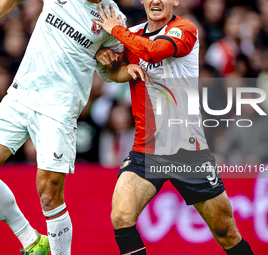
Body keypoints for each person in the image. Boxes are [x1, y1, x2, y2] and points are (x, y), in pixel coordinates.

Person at [0, 0, 148, 254]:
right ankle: (32, 241)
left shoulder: (113, 17)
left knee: (49, 197)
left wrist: (121, 68)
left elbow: (109, 72)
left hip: (59, 111)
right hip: (20, 96)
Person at [92, 1, 255, 254]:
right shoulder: (131, 34)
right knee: (121, 216)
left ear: (175, 1)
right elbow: (112, 73)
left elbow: (154, 51)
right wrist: (108, 62)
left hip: (188, 150)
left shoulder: (184, 28)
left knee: (226, 232)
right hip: (145, 150)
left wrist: (117, 31)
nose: (156, 0)